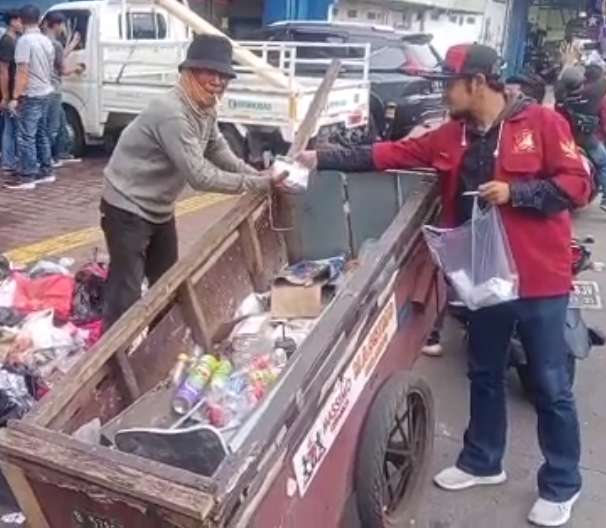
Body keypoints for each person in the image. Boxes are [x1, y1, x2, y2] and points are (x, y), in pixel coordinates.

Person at [297, 44, 589, 527]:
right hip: (483, 279)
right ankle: (482, 460)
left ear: (477, 83)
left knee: (551, 384)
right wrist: (319, 157)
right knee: (484, 372)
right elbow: (389, 153)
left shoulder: (540, 124)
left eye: (449, 83)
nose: (442, 92)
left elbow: (579, 184)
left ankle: (562, 483)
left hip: (538, 281)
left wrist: (517, 192)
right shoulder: (450, 136)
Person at [100, 34, 284, 330]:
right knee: (126, 292)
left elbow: (217, 149)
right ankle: (112, 365)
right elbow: (199, 176)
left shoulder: (204, 106)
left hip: (159, 208)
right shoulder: (172, 112)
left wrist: (255, 174)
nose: (217, 81)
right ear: (189, 72)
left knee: (167, 283)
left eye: (223, 75)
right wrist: (257, 185)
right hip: (127, 206)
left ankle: (157, 348)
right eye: (209, 72)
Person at [9, 4, 56, 190]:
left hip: (31, 94)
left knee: (25, 136)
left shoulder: (25, 41)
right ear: (39, 20)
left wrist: (15, 96)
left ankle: (28, 176)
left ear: (20, 20)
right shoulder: (46, 41)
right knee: (41, 133)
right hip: (46, 91)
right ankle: (46, 171)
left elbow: (22, 70)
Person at [554, 65, 606, 208]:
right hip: (586, 140)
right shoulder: (588, 96)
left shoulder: (560, 98)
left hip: (564, 137)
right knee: (603, 163)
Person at [42, 11, 82, 166]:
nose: (63, 28)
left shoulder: (43, 42)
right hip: (53, 89)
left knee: (59, 122)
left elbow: (57, 58)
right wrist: (77, 68)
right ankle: (48, 159)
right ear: (57, 25)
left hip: (43, 89)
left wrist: (71, 46)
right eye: (62, 25)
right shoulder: (55, 44)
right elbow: (62, 69)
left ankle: (61, 154)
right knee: (51, 127)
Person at [0, 11, 23, 174]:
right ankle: (9, 161)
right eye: (20, 21)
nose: (22, 25)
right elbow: (3, 70)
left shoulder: (15, 41)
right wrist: (5, 95)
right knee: (11, 127)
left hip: (14, 91)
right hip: (11, 92)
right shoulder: (7, 42)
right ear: (13, 22)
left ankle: (10, 160)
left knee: (12, 127)